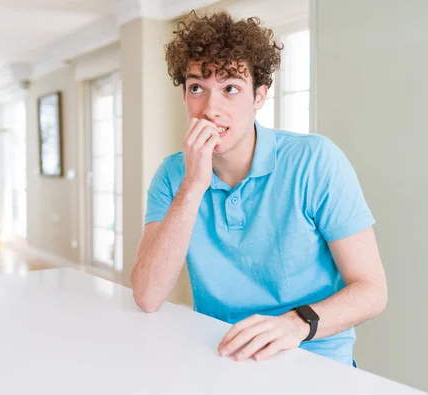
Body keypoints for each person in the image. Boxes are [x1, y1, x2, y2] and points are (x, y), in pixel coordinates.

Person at [131, 10, 388, 367]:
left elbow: (372, 291)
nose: (210, 109)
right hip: (220, 355)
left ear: (259, 96)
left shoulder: (315, 161)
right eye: (196, 88)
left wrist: (295, 325)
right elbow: (147, 296)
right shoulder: (173, 176)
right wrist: (192, 187)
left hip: (312, 360)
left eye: (230, 89)